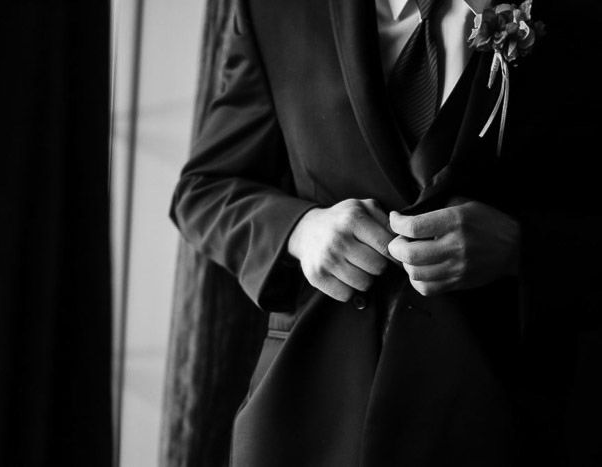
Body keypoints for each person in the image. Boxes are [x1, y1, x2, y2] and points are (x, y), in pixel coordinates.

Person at [170, 0, 601, 465]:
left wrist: (521, 249)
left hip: (499, 419)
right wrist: (301, 230)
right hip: (309, 416)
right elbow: (205, 190)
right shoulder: (274, 9)